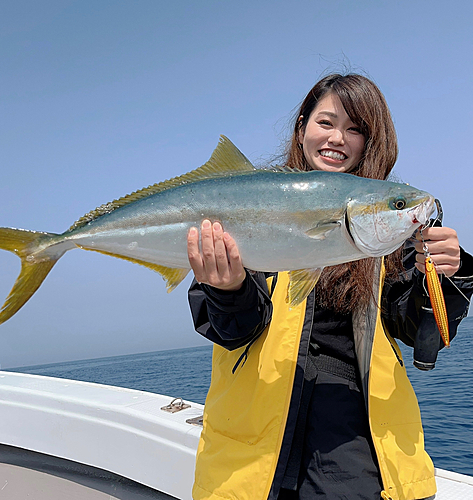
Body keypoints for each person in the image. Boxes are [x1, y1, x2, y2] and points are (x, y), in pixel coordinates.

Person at [186, 74, 473, 500]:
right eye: (326, 122)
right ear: (302, 126)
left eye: (355, 128)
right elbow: (231, 333)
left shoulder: (387, 235)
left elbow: (421, 337)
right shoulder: (248, 209)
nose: (338, 138)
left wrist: (450, 277)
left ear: (370, 142)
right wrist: (228, 290)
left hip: (356, 448)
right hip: (253, 449)